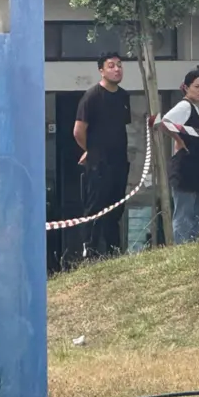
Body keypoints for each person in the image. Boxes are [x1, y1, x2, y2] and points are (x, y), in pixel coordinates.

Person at [74, 52, 132, 258]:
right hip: (99, 163)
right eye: (111, 66)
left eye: (119, 65)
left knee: (116, 209)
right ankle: (89, 251)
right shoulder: (92, 96)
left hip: (119, 161)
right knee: (95, 207)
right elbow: (78, 131)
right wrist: (90, 150)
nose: (117, 69)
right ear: (101, 70)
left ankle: (114, 252)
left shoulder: (124, 96)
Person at [163, 70, 199, 243]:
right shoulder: (184, 106)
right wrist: (178, 140)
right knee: (184, 214)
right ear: (186, 87)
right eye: (197, 86)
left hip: (196, 167)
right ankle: (181, 249)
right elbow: (164, 122)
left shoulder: (194, 108)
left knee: (196, 213)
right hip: (185, 167)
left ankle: (193, 249)